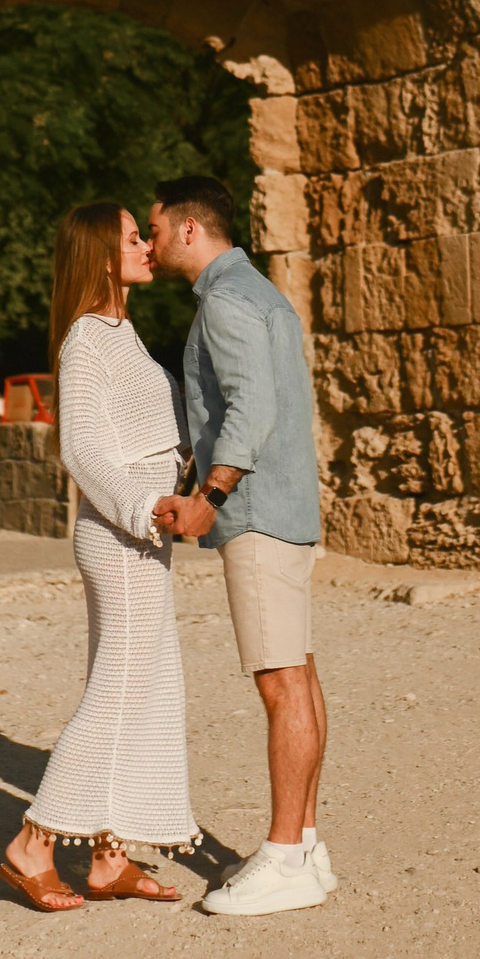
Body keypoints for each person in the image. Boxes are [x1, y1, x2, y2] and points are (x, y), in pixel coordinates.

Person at [0, 201, 199, 913]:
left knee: (147, 685)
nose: (147, 246)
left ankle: (110, 857)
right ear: (100, 257)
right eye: (133, 238)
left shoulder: (123, 332)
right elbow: (80, 449)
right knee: (118, 690)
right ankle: (33, 843)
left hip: (143, 532)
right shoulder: (86, 338)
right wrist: (145, 508)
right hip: (120, 534)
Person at [149, 176, 332, 916]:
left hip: (256, 514)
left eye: (156, 229)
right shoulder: (261, 293)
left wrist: (208, 500)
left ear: (189, 229)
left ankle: (285, 858)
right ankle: (307, 848)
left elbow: (251, 409)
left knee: (281, 684)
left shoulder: (225, 302)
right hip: (289, 507)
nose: (151, 243)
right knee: (300, 676)